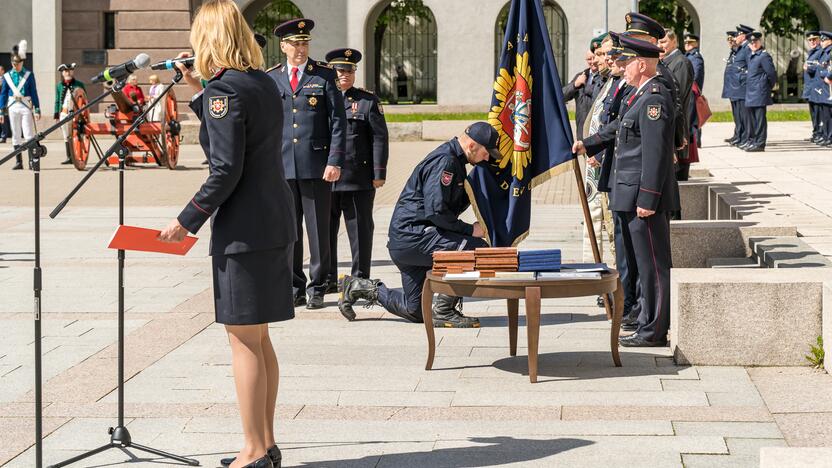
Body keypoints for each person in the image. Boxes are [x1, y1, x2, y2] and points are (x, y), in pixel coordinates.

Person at [157, 1, 296, 467]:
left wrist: (187, 218)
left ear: (208, 39)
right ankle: (266, 444)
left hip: (244, 232)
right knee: (258, 338)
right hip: (273, 221)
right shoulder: (260, 83)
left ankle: (254, 449)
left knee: (242, 338)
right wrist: (201, 93)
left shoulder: (226, 92)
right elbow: (242, 139)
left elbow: (224, 169)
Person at [338, 123, 497, 327]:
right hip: (416, 237)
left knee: (416, 311)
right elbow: (436, 212)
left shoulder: (453, 159)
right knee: (478, 251)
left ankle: (360, 287)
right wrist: (470, 230)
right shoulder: (446, 161)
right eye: (486, 153)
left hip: (408, 241)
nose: (487, 158)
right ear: (473, 145)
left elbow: (447, 205)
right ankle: (444, 311)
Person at [267, 18, 347, 310]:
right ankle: (294, 285)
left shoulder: (324, 75)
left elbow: (338, 122)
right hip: (283, 166)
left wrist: (334, 160)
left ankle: (318, 286)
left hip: (316, 166)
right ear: (283, 46)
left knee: (318, 230)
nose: (301, 49)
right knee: (290, 230)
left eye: (304, 43)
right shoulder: (272, 77)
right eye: (295, 44)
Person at [610, 35, 679, 347]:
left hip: (644, 197)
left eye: (627, 62)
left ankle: (653, 330)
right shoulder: (638, 95)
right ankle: (646, 323)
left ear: (641, 64)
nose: (623, 68)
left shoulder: (653, 99)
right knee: (645, 266)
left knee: (654, 266)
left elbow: (655, 153)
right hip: (633, 194)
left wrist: (648, 198)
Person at [324, 48, 388, 295]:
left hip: (357, 178)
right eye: (341, 70)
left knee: (360, 230)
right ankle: (328, 277)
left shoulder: (367, 101)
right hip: (326, 179)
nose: (345, 75)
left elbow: (380, 138)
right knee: (325, 231)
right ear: (331, 71)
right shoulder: (321, 99)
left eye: (350, 71)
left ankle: (360, 278)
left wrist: (379, 172)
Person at [658, 29, 694, 181]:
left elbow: (677, 98)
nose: (660, 45)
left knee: (677, 179)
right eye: (658, 42)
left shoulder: (681, 62)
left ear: (674, 41)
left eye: (664, 41)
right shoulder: (667, 61)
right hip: (672, 126)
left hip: (677, 126)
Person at [0, 50, 41, 170]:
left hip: (25, 105)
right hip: (13, 105)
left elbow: (33, 92)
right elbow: (3, 94)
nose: (16, 66)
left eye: (18, 63)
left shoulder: (29, 74)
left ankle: (31, 161)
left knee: (28, 134)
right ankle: (19, 162)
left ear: (22, 63)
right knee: (16, 134)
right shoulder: (7, 76)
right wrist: (1, 111)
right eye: (14, 64)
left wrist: (37, 109)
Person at [744, 31, 777, 152]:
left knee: (759, 119)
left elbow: (772, 74)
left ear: (760, 42)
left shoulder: (764, 56)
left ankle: (760, 143)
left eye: (756, 41)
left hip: (759, 92)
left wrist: (767, 86)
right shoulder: (752, 55)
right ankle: (753, 141)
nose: (753, 44)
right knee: (752, 119)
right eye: (751, 42)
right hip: (750, 92)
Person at [563, 45, 599, 139]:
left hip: (596, 129)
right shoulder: (581, 75)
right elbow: (563, 96)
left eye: (593, 58)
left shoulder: (604, 77)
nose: (592, 62)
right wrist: (575, 84)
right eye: (588, 59)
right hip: (581, 129)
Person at [728, 24, 755, 149]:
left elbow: (750, 66)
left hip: (742, 86)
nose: (735, 37)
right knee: (739, 114)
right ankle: (741, 136)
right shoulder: (739, 48)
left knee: (745, 115)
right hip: (736, 86)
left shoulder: (747, 48)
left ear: (744, 36)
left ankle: (747, 137)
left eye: (738, 35)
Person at [54, 63, 86, 165]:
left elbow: (84, 100)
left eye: (70, 70)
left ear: (73, 71)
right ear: (62, 73)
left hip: (76, 114)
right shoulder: (59, 86)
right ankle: (69, 157)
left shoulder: (79, 84)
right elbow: (57, 101)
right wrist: (56, 115)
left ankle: (76, 156)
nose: (68, 72)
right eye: (65, 71)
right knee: (66, 136)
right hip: (63, 113)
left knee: (75, 135)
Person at [811, 32, 832, 147]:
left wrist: (827, 76)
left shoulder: (830, 52)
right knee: (825, 114)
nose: (822, 42)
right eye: (822, 40)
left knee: (829, 113)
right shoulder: (824, 52)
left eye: (824, 40)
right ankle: (826, 135)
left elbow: (829, 69)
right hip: (822, 87)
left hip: (828, 86)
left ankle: (830, 136)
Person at [684, 34, 704, 149]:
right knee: (690, 117)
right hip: (689, 90)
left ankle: (696, 142)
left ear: (696, 43)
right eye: (686, 43)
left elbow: (695, 77)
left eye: (690, 43)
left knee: (693, 118)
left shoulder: (696, 57)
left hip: (692, 91)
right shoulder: (688, 55)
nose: (687, 45)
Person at [803, 31, 823, 143]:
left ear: (819, 40)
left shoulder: (820, 52)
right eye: (810, 40)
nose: (812, 42)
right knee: (813, 113)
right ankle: (816, 133)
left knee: (819, 113)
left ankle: (820, 133)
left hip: (816, 88)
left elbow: (819, 68)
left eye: (814, 39)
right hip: (810, 87)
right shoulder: (812, 52)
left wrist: (808, 68)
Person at [722, 31, 740, 144]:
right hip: (732, 87)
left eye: (732, 40)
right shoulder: (733, 52)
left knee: (740, 114)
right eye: (729, 41)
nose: (730, 43)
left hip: (737, 88)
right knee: (736, 114)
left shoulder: (738, 52)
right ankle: (737, 134)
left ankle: (740, 135)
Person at [0, 65, 9, 143]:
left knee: (4, 120)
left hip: (4, 102)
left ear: (3, 71)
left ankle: (4, 136)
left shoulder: (6, 79)